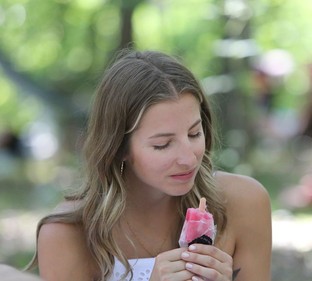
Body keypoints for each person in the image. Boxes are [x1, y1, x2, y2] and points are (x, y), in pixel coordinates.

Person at [27, 49, 272, 281]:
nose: (188, 159)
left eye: (194, 133)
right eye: (163, 145)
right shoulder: (68, 234)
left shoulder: (243, 203)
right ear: (120, 147)